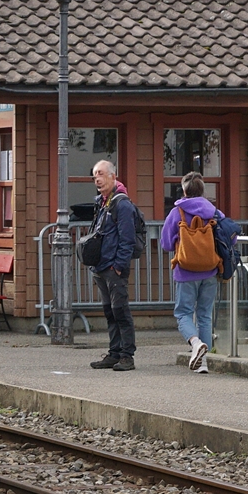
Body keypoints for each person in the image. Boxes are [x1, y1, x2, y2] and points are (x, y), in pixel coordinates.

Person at [160, 171, 221, 374]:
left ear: (184, 190)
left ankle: (196, 345)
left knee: (183, 313)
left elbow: (166, 243)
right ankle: (203, 362)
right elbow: (230, 238)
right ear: (202, 190)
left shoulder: (177, 213)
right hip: (210, 270)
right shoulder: (214, 212)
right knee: (204, 314)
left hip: (186, 271)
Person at [88, 159, 138, 371]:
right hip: (101, 267)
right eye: (94, 176)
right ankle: (114, 352)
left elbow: (127, 239)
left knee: (120, 311)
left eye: (100, 174)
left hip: (113, 268)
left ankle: (127, 355)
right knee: (109, 311)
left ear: (112, 176)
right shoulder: (102, 203)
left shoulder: (122, 204)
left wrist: (118, 266)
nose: (97, 179)